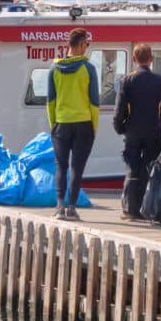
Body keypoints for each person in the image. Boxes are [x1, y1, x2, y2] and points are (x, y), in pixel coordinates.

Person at [47, 28, 100, 221]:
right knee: (77, 167)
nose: (87, 48)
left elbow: (50, 101)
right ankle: (71, 208)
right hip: (84, 122)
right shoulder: (89, 69)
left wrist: (54, 123)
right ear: (79, 45)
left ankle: (59, 206)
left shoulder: (54, 69)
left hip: (61, 122)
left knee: (61, 165)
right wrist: (94, 126)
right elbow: (94, 101)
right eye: (86, 44)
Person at [113, 43, 161, 221]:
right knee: (149, 168)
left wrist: (119, 127)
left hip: (133, 129)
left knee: (132, 169)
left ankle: (130, 209)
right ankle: (147, 207)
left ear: (134, 59)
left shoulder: (126, 80)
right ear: (151, 59)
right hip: (153, 129)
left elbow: (120, 107)